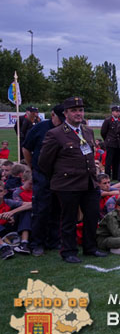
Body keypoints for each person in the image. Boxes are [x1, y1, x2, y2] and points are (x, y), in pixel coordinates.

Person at [38, 96, 107, 263]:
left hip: (89, 182)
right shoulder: (55, 134)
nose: (78, 113)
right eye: (74, 110)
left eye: (81, 110)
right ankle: (69, 251)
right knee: (69, 219)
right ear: (66, 113)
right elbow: (44, 162)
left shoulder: (88, 131)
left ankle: (90, 247)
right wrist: (59, 177)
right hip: (68, 184)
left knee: (91, 216)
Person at [21, 104, 65, 256]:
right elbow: (26, 148)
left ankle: (53, 241)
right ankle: (37, 243)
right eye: (61, 118)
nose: (62, 121)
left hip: (59, 175)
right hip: (42, 174)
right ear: (53, 115)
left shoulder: (66, 129)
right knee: (41, 209)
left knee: (57, 208)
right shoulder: (39, 128)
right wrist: (32, 167)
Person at [100, 105, 120, 180]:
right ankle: (107, 176)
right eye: (116, 111)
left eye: (119, 111)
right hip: (110, 143)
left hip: (118, 144)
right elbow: (103, 132)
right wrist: (107, 140)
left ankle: (115, 176)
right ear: (112, 112)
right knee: (109, 161)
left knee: (116, 160)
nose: (118, 113)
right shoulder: (108, 120)